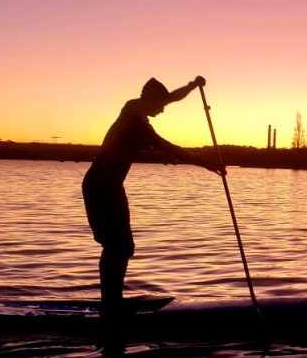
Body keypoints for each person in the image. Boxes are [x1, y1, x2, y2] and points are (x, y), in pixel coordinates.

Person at [82, 76, 224, 325]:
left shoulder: (133, 107)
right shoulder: (137, 124)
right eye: (160, 105)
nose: (163, 109)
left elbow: (171, 98)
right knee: (116, 246)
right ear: (150, 100)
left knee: (123, 246)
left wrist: (191, 86)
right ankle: (110, 305)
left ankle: (113, 301)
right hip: (100, 187)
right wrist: (207, 164)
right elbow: (170, 148)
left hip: (112, 187)